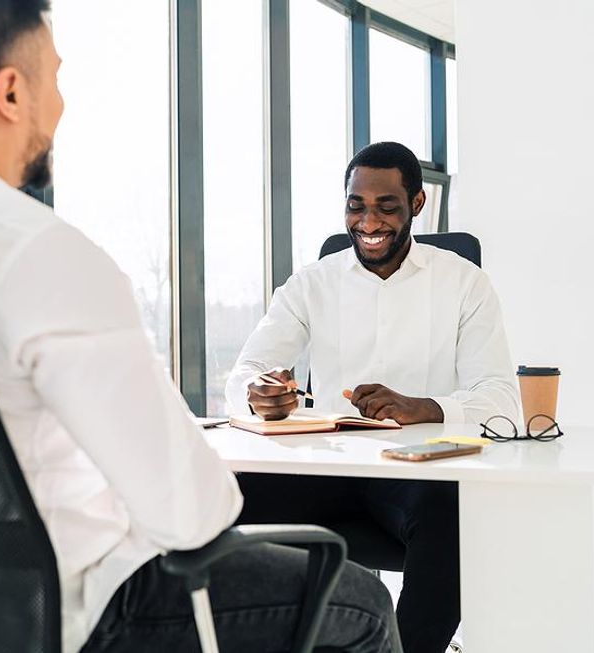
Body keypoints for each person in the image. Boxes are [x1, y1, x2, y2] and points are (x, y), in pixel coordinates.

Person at [0, 1, 401, 651]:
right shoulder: (35, 250)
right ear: (11, 91)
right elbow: (193, 516)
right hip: (88, 613)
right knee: (364, 602)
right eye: (56, 78)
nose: (61, 106)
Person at [225, 141, 521, 653]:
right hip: (327, 468)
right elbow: (247, 370)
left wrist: (425, 407)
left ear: (417, 204)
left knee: (452, 517)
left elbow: (501, 399)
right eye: (356, 206)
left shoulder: (465, 283)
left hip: (415, 476)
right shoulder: (311, 283)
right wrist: (259, 392)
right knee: (221, 500)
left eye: (387, 206)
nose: (369, 221)